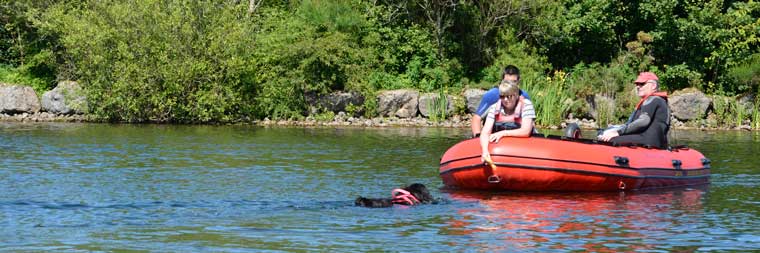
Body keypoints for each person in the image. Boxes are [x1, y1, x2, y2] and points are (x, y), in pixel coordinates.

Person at [598, 72, 670, 148]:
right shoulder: (658, 100)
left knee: (607, 140)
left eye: (642, 84)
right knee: (604, 133)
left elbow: (643, 121)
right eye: (637, 84)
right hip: (650, 140)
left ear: (653, 86)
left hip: (649, 142)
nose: (638, 87)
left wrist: (618, 132)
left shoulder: (653, 99)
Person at [480, 80, 536, 163]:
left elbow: (526, 131)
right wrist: (485, 151)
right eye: (502, 96)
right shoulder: (494, 107)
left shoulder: (526, 105)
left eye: (509, 96)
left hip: (525, 149)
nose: (505, 99)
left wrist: (502, 133)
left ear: (516, 95)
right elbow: (485, 132)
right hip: (502, 150)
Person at [470, 65, 531, 138]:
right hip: (494, 135)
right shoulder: (492, 95)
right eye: (507, 82)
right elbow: (476, 118)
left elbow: (530, 123)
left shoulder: (524, 97)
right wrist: (477, 137)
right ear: (502, 81)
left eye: (514, 82)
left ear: (518, 82)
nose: (510, 85)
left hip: (517, 136)